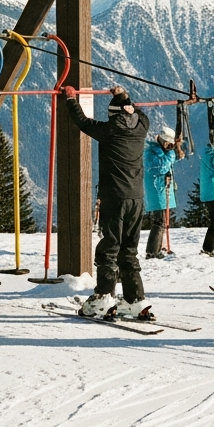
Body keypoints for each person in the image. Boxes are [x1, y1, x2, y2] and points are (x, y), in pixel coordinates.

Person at [63, 85, 154, 320]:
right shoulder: (142, 126)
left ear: (114, 115)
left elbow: (82, 122)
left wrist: (71, 99)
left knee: (109, 248)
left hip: (115, 197)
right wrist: (124, 96)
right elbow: (139, 113)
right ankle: (135, 300)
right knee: (129, 250)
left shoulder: (110, 130)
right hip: (137, 198)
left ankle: (104, 297)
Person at [143, 125, 182, 259]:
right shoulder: (150, 153)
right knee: (159, 221)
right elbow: (161, 167)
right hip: (157, 190)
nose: (170, 148)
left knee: (162, 220)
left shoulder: (161, 152)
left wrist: (178, 150)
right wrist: (172, 153)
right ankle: (152, 250)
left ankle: (158, 248)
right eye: (168, 145)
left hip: (162, 189)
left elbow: (169, 161)